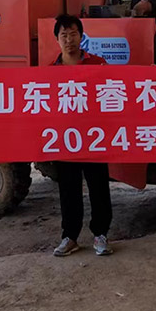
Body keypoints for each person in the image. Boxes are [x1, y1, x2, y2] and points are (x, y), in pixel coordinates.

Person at [49, 14, 113, 257]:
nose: (69, 39)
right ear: (57, 39)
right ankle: (70, 236)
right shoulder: (50, 72)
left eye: (73, 34)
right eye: (64, 35)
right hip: (65, 140)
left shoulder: (98, 65)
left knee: (99, 187)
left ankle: (100, 234)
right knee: (68, 189)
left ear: (81, 36)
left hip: (94, 138)